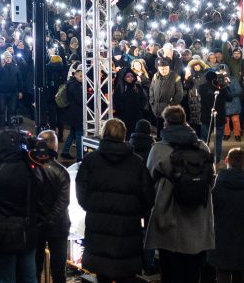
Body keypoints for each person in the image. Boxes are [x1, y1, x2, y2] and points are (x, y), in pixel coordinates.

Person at [75, 118, 154, 283]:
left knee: (102, 276)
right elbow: (148, 197)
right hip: (127, 232)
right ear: (124, 136)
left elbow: (81, 193)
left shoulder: (90, 161)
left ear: (104, 134)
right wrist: (135, 212)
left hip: (99, 229)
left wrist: (94, 206)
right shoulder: (137, 163)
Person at [145, 105, 215, 283]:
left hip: (169, 222)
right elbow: (211, 179)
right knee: (193, 274)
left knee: (170, 273)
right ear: (185, 120)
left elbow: (148, 180)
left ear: (165, 123)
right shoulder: (202, 148)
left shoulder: (159, 150)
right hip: (198, 222)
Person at [0, 129, 40, 283]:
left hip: (1, 235)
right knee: (29, 277)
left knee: (5, 277)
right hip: (27, 232)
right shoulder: (32, 171)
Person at [209, 148, 244, 283]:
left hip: (222, 245)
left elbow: (209, 215)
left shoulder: (216, 189)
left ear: (227, 161)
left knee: (223, 277)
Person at [34, 130, 71, 283]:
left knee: (35, 268)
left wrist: (42, 222)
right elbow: (63, 202)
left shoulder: (31, 169)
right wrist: (49, 221)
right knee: (58, 271)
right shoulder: (62, 171)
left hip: (36, 225)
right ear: (54, 146)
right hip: (58, 226)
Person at [148, 58, 183, 131]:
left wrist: (172, 105)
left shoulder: (175, 77)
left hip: (168, 108)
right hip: (156, 107)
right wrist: (152, 101)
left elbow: (179, 92)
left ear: (168, 68)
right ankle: (159, 138)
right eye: (161, 69)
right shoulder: (155, 76)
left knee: (168, 127)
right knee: (159, 126)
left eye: (165, 69)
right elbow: (151, 89)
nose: (163, 71)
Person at [60, 65, 83, 162]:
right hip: (76, 113)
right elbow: (79, 99)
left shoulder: (70, 82)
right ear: (76, 74)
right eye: (81, 76)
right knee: (79, 133)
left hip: (71, 112)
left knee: (72, 133)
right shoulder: (75, 85)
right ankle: (80, 156)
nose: (82, 78)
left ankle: (65, 151)